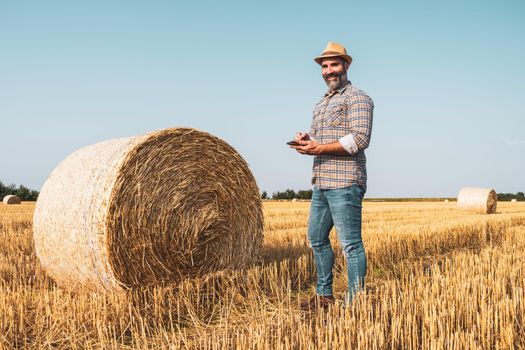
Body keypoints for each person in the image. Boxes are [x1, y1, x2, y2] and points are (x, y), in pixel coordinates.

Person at [290, 42, 374, 309]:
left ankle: (355, 302)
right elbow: (320, 137)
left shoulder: (357, 97)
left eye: (334, 65)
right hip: (321, 181)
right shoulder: (320, 104)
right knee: (316, 238)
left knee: (350, 244)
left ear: (346, 65)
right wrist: (306, 140)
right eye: (325, 66)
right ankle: (324, 295)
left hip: (345, 181)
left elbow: (359, 139)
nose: (329, 71)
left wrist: (319, 148)